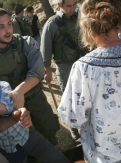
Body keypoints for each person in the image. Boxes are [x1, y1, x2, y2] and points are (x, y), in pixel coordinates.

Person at [58, 0, 121, 163]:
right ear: (118, 20)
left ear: (88, 29)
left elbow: (72, 117)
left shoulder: (84, 68)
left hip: (110, 160)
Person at [0, 8, 60, 147]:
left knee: (49, 134)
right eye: (1, 27)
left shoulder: (27, 43)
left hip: (35, 98)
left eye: (9, 24)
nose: (8, 30)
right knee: (25, 141)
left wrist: (19, 91)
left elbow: (37, 73)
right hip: (13, 108)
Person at [40, 0, 84, 141]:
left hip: (82, 62)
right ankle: (73, 129)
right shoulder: (51, 25)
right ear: (60, 6)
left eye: (74, 5)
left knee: (85, 95)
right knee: (69, 99)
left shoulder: (79, 16)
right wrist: (47, 71)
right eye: (68, 6)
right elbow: (45, 51)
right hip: (65, 67)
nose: (72, 9)